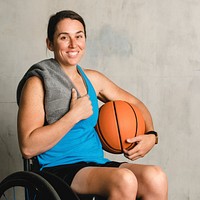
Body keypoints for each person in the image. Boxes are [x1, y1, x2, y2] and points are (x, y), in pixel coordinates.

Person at [17, 10, 168, 200]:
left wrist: (151, 135)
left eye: (79, 36)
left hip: (94, 164)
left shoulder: (93, 79)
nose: (73, 44)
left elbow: (135, 103)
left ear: (85, 40)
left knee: (156, 177)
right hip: (57, 169)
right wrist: (74, 115)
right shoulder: (37, 83)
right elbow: (28, 147)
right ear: (50, 43)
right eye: (64, 37)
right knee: (124, 180)